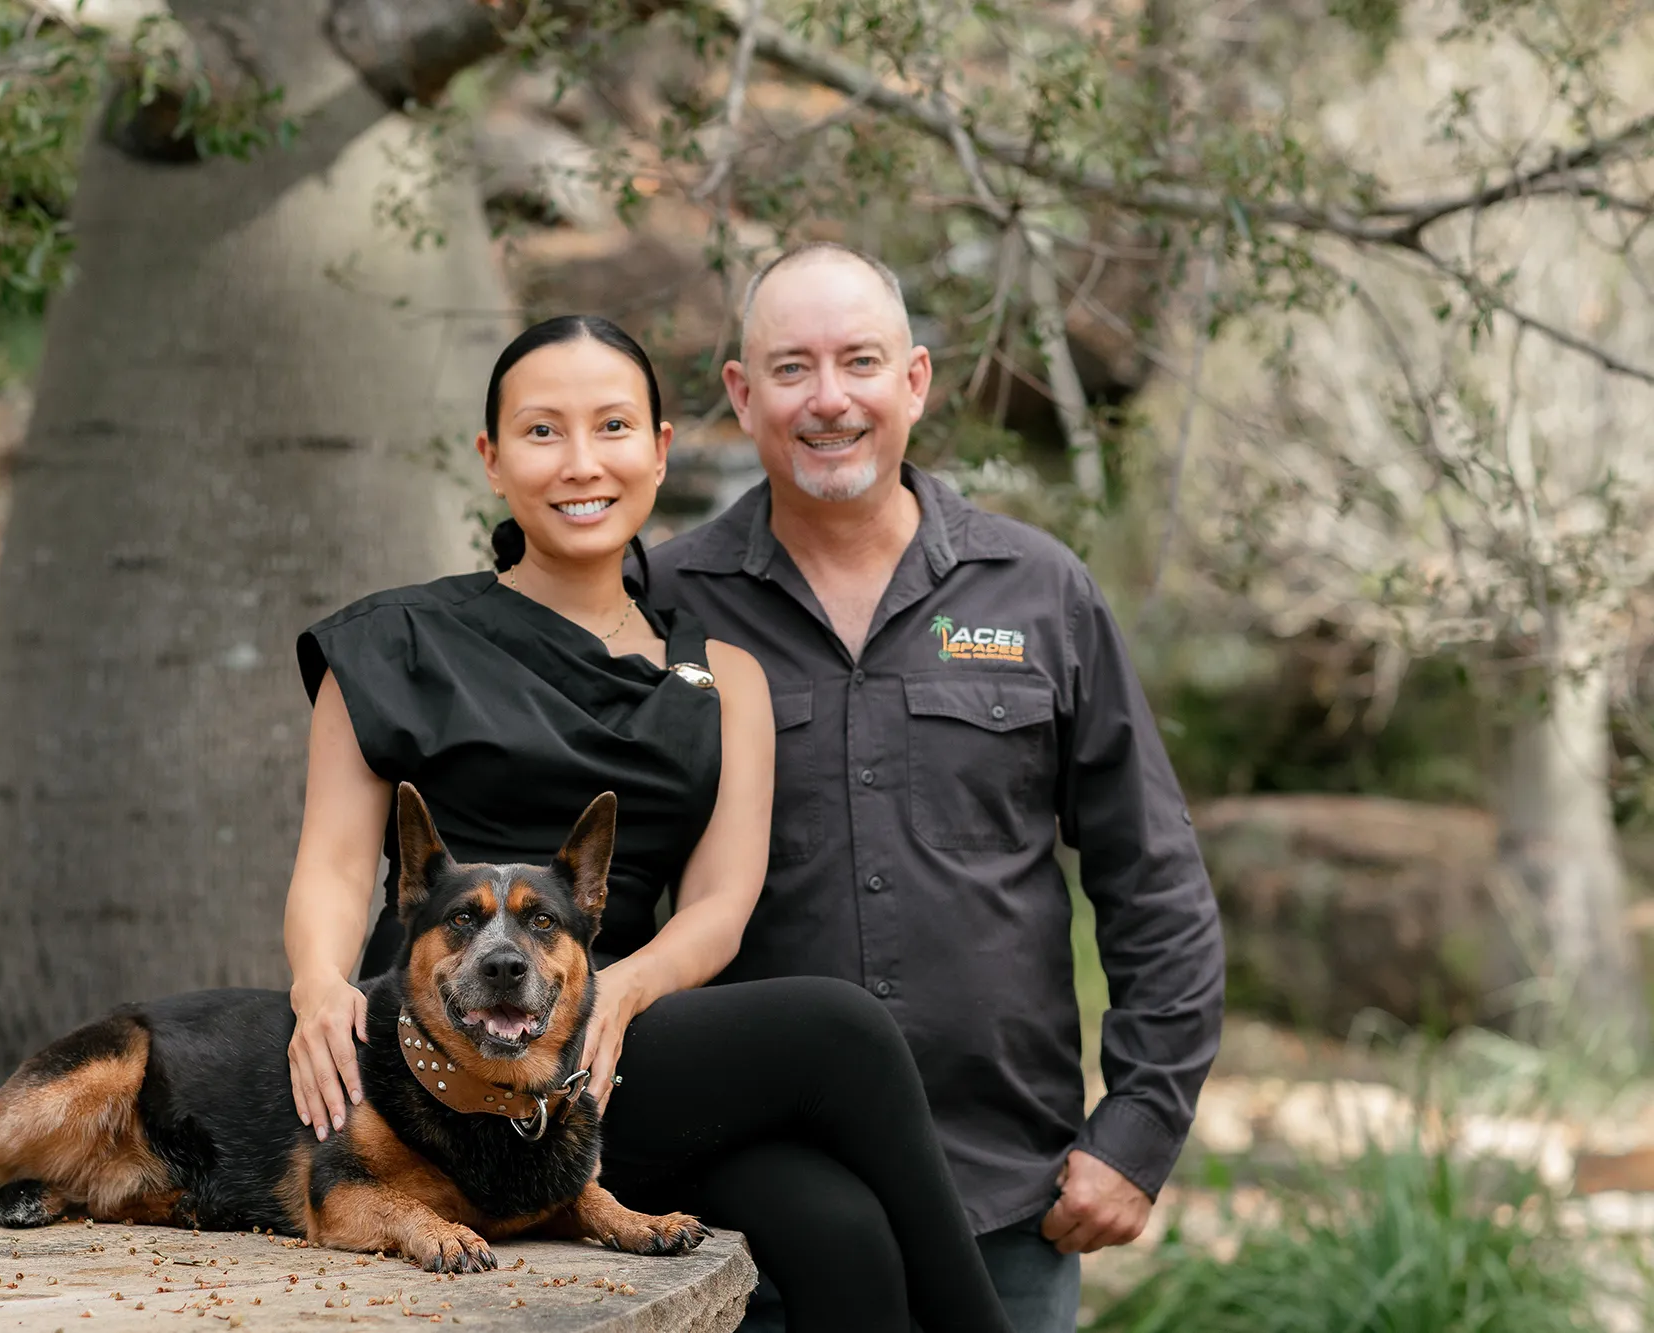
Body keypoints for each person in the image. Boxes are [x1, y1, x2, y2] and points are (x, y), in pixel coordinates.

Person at [278, 314, 1013, 1333]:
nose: (581, 462)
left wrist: (622, 987)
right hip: (445, 1055)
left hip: (625, 1043)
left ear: (660, 450)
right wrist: (316, 983)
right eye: (542, 432)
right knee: (840, 1028)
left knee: (839, 1231)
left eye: (613, 426)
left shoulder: (727, 678)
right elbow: (330, 864)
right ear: (491, 461)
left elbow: (718, 904)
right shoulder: (392, 640)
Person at [644, 243, 1226, 1333]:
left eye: (858, 362)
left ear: (913, 379)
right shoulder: (663, 607)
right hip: (745, 1221)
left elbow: (1153, 879)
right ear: (739, 392)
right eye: (790, 368)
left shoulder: (1038, 590)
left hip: (1001, 1207)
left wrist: (1137, 1131)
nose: (828, 400)